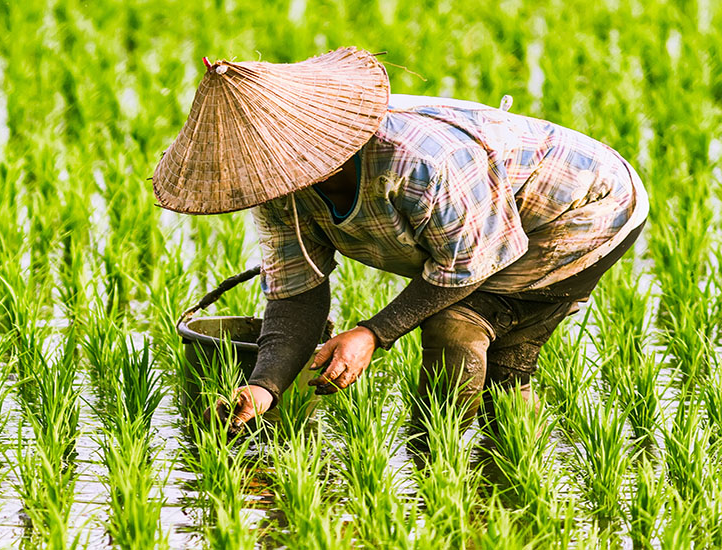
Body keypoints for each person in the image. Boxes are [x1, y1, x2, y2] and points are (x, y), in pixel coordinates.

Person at [150, 48, 647, 432]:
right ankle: (496, 477)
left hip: (585, 208)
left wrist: (372, 333)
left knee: (457, 326)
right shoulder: (279, 190)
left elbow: (464, 267)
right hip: (488, 230)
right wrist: (264, 387)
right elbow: (297, 293)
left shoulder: (419, 163)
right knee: (502, 375)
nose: (278, 179)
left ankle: (439, 468)